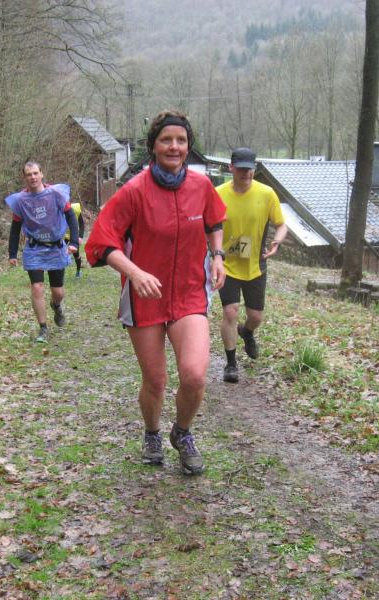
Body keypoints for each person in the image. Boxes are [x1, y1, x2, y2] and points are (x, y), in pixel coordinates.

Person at [85, 110, 227, 476]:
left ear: (188, 146)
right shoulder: (134, 191)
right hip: (145, 299)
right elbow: (101, 243)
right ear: (153, 146)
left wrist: (218, 256)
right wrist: (134, 273)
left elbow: (215, 221)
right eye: (166, 140)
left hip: (190, 294)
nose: (174, 147)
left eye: (181, 140)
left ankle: (182, 432)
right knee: (156, 380)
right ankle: (152, 433)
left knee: (194, 375)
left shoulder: (201, 186)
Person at [217, 147, 287, 383]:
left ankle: (247, 332)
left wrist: (277, 241)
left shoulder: (266, 193)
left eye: (250, 169)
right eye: (241, 169)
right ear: (231, 168)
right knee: (230, 311)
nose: (246, 173)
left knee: (255, 317)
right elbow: (206, 225)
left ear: (254, 169)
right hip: (227, 264)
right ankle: (231, 364)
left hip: (256, 264)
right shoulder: (217, 194)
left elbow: (281, 224)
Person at [7, 161, 79, 343]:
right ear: (24, 177)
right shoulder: (20, 201)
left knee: (58, 291)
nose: (32, 177)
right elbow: (15, 228)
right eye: (28, 174)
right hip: (34, 248)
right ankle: (43, 328)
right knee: (37, 287)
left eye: (35, 173)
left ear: (41, 174)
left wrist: (73, 241)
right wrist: (12, 254)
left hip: (56, 247)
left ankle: (56, 305)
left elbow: (71, 216)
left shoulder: (56, 193)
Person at [64, 202, 85, 279]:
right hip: (64, 235)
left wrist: (80, 236)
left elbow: (82, 224)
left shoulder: (76, 208)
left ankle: (78, 271)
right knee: (60, 253)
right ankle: (60, 274)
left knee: (76, 254)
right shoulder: (59, 209)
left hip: (74, 234)